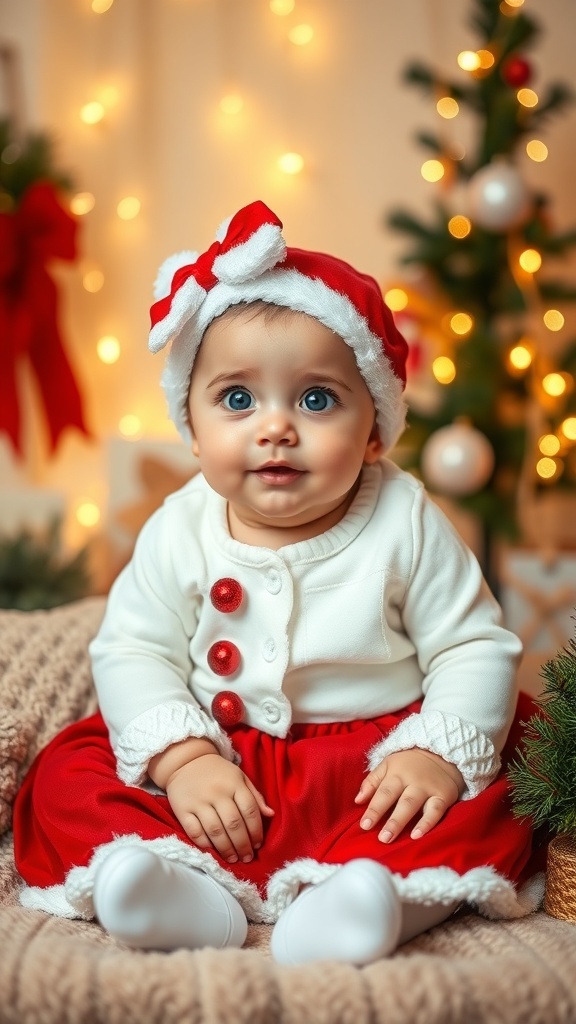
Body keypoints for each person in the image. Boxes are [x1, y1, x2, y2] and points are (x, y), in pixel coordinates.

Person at [14, 200, 540, 966]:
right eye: (236, 399)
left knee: (497, 777)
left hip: (370, 774)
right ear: (193, 430)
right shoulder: (179, 526)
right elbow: (132, 650)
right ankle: (176, 893)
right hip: (219, 775)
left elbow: (474, 646)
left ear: (372, 433)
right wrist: (183, 759)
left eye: (316, 399)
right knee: (66, 774)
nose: (275, 428)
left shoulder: (405, 517)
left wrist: (434, 755)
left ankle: (372, 902)